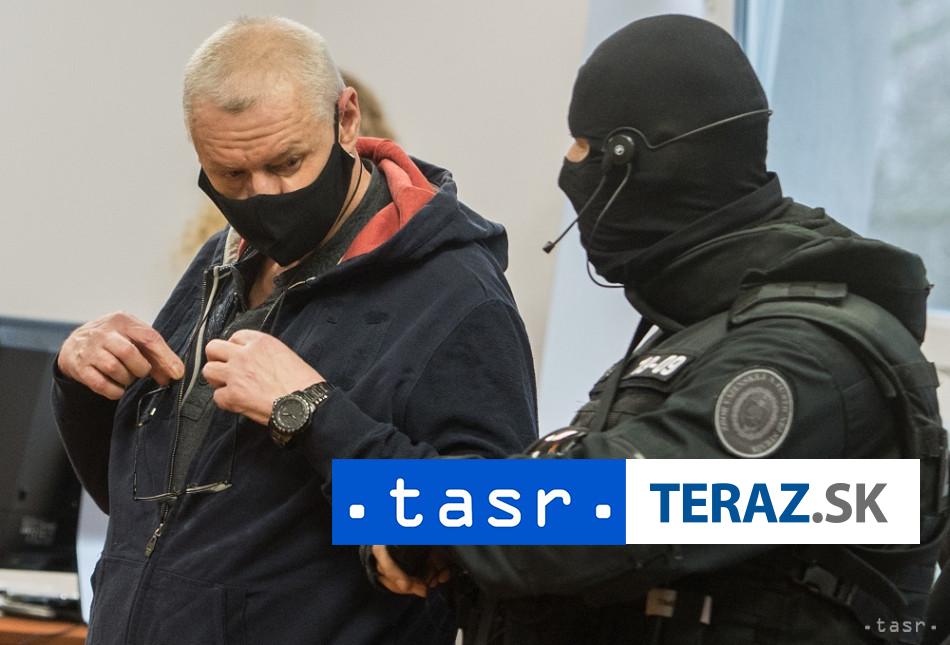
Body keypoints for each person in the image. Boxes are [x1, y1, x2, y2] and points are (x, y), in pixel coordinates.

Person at [370, 15, 949, 645]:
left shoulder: (804, 355)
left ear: (632, 160)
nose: (569, 166)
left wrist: (405, 504)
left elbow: (614, 511)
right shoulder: (706, 330)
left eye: (584, 145)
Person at [52, 16, 537, 645]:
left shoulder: (455, 292)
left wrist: (310, 412)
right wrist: (83, 384)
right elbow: (147, 513)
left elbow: (495, 529)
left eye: (287, 163)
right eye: (230, 175)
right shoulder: (222, 259)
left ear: (346, 119)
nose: (262, 196)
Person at [178, 70, 396, 264]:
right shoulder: (218, 257)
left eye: (288, 162)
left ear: (347, 121)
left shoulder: (403, 253)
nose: (262, 191)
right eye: (234, 173)